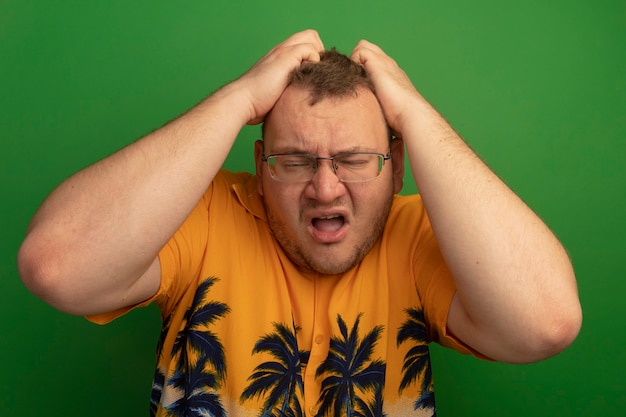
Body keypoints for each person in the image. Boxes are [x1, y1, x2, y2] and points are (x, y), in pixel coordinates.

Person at [18, 30, 582, 416]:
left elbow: (546, 323)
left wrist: (413, 111)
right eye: (294, 160)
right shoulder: (207, 213)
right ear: (262, 167)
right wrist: (239, 98)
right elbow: (57, 265)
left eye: (357, 159)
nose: (326, 187)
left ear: (398, 165)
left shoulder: (414, 238)